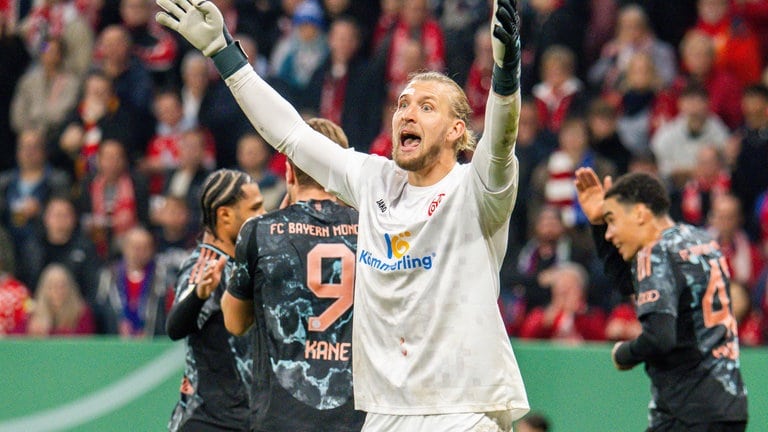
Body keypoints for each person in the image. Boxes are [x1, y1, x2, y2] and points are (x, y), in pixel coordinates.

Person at [156, 0, 530, 429]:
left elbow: (501, 144)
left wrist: (506, 74)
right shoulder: (375, 182)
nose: (408, 112)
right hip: (384, 412)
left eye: (427, 107)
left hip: (463, 410)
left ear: (456, 131)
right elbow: (292, 134)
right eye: (403, 104)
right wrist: (224, 53)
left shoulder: (476, 189)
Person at [573, 166, 748, 431]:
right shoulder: (701, 241)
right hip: (727, 404)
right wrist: (599, 223)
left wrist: (624, 354)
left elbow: (659, 337)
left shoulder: (654, 253)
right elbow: (630, 284)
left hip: (685, 412)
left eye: (613, 220)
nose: (610, 233)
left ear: (641, 214)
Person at [220, 118, 363, 431]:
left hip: (280, 416)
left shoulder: (260, 232)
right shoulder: (373, 230)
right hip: (357, 416)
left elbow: (235, 321)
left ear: (289, 172)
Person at [166, 169, 265, 432]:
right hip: (209, 420)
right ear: (224, 215)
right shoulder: (206, 264)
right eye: (255, 208)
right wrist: (199, 295)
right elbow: (175, 327)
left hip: (245, 419)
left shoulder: (244, 263)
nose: (262, 215)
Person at [26, 264, 96, 336]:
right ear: (44, 290)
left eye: (62, 286)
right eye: (52, 287)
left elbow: (85, 340)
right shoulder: (33, 314)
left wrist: (48, 332)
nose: (58, 291)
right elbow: (16, 337)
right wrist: (31, 332)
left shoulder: (82, 313)